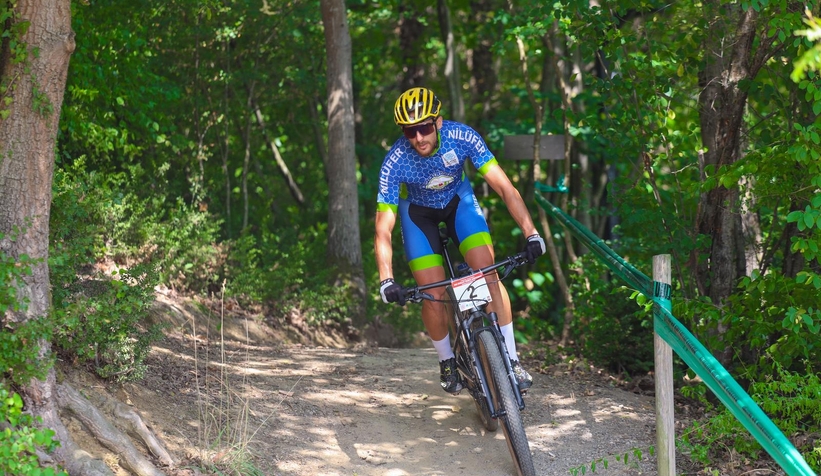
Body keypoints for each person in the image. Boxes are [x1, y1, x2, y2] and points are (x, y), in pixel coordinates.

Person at [374, 86, 545, 395]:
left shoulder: (462, 137)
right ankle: (447, 361)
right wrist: (386, 279)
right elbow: (383, 228)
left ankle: (512, 359)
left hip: (458, 204)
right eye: (410, 131)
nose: (419, 138)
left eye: (424, 127)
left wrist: (531, 233)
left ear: (438, 121)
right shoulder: (395, 160)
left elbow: (505, 188)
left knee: (487, 273)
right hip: (418, 216)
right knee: (434, 294)